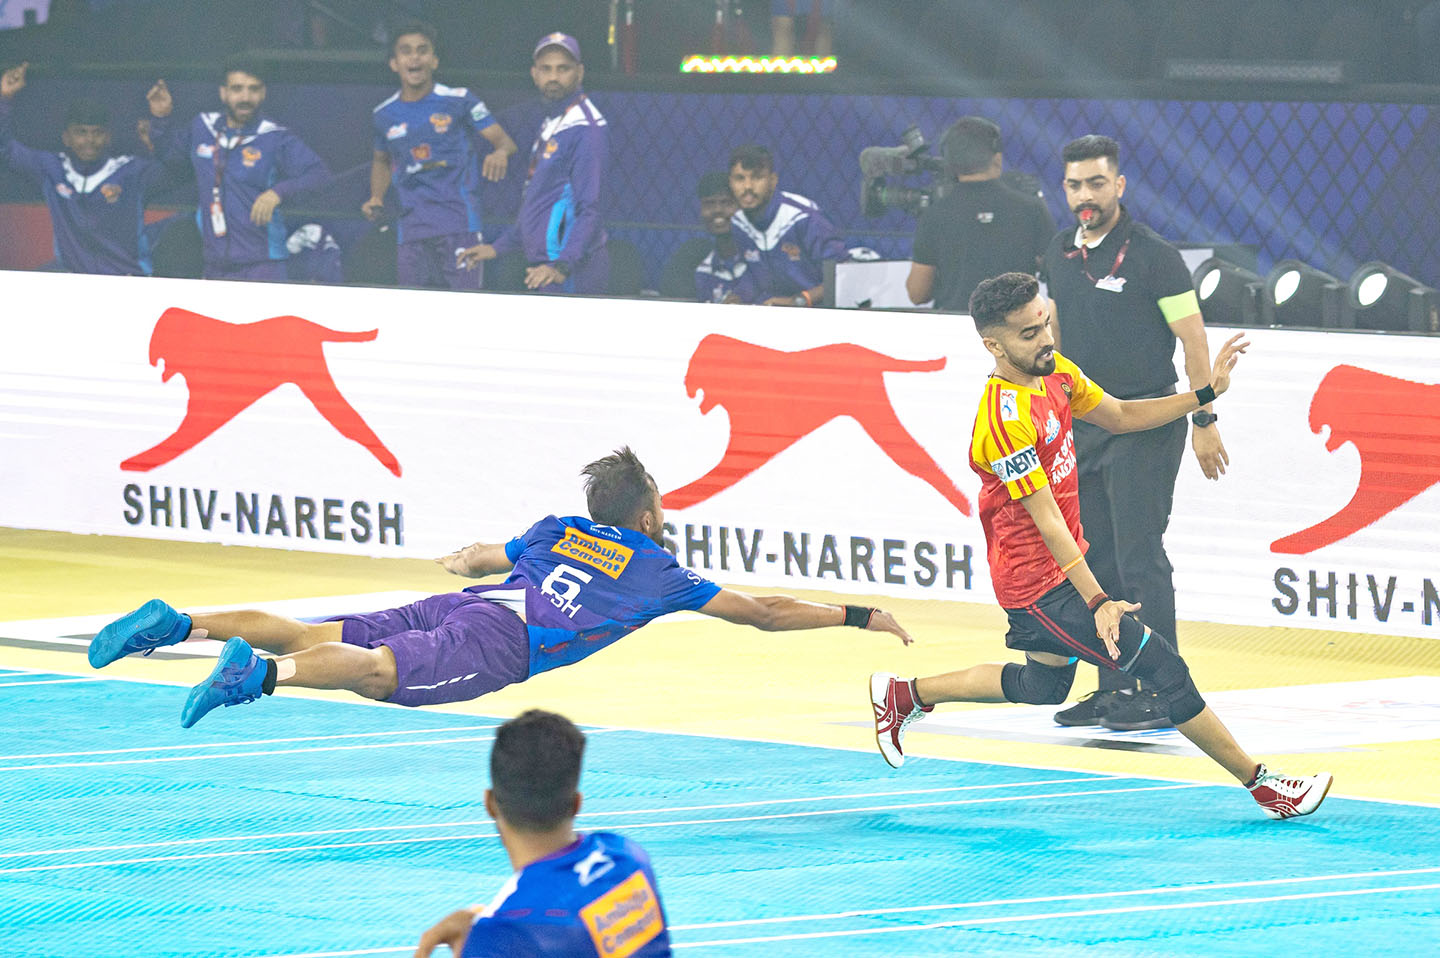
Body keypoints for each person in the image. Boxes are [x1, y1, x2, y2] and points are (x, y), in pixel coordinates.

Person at [869, 272, 1331, 821]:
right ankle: (1265, 786)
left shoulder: (1056, 373)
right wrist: (1097, 599)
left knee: (1043, 685)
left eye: (1045, 323)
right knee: (1163, 668)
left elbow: (1120, 415)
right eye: (1027, 334)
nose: (1045, 340)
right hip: (1038, 582)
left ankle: (906, 695)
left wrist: (1203, 395)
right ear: (993, 345)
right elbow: (1046, 521)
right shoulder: (1003, 421)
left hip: (1056, 573)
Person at [89, 446, 910, 728]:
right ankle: (256, 677)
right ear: (651, 511)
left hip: (470, 603)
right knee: (376, 677)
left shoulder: (558, 528)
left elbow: (489, 555)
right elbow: (763, 614)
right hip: (501, 640)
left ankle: (177, 620)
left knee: (325, 631)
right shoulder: (660, 571)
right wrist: (858, 612)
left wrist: (462, 561)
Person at [1041, 134, 1228, 732]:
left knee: (1139, 556)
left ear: (1119, 186)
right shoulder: (1058, 252)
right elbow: (1057, 330)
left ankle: (1162, 691)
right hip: (1085, 424)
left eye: (1097, 183)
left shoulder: (1154, 256)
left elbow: (1193, 338)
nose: (1085, 196)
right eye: (1075, 185)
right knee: (1095, 562)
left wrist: (1203, 419)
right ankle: (1113, 687)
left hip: (1146, 421)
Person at [413, 709, 673, 957]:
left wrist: (488, 931)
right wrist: (486, 920)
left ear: (490, 804)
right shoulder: (629, 858)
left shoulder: (503, 936)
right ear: (576, 804)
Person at [363, 21, 518, 291]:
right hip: (410, 231)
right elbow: (381, 159)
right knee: (415, 315)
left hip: (458, 225)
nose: (415, 57)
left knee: (463, 312)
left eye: (422, 50)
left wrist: (501, 152)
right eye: (406, 51)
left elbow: (505, 142)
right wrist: (376, 196)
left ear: (434, 60)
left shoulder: (460, 99)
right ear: (394, 63)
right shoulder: (383, 114)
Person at [144, 61, 330, 282]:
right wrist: (161, 118)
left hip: (263, 265)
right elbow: (172, 158)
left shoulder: (275, 136)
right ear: (223, 93)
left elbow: (320, 175)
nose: (245, 98)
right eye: (237, 88)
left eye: (253, 89)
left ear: (263, 93)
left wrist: (277, 193)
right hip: (214, 265)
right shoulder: (203, 127)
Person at [458, 33, 609, 295]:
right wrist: (497, 247)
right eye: (546, 69)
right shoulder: (553, 121)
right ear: (534, 74)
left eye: (563, 69)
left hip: (571, 272)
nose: (553, 77)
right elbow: (540, 202)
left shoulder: (585, 128)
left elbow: (590, 208)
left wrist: (561, 267)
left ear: (580, 73)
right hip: (546, 268)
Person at [0, 61, 165, 275]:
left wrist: (160, 126)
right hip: (74, 284)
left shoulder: (131, 172)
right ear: (66, 138)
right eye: (81, 132)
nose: (89, 141)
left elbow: (179, 169)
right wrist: (4, 98)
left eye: (97, 133)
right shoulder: (51, 168)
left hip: (126, 282)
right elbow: (5, 150)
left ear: (108, 137)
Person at [906, 116, 1054, 313]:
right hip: (1016, 328)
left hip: (954, 327)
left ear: (951, 163)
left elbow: (917, 293)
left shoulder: (935, 215)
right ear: (998, 158)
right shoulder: (1032, 208)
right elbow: (1054, 272)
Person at [726, 143, 845, 307]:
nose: (747, 187)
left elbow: (843, 277)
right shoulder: (738, 223)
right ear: (731, 182)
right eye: (740, 178)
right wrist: (738, 297)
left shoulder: (803, 217)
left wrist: (798, 301)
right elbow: (755, 278)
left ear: (773, 181)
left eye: (757, 177)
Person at [657, 170, 744, 301]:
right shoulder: (693, 259)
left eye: (726, 203)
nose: (717, 210)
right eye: (709, 204)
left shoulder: (762, 255)